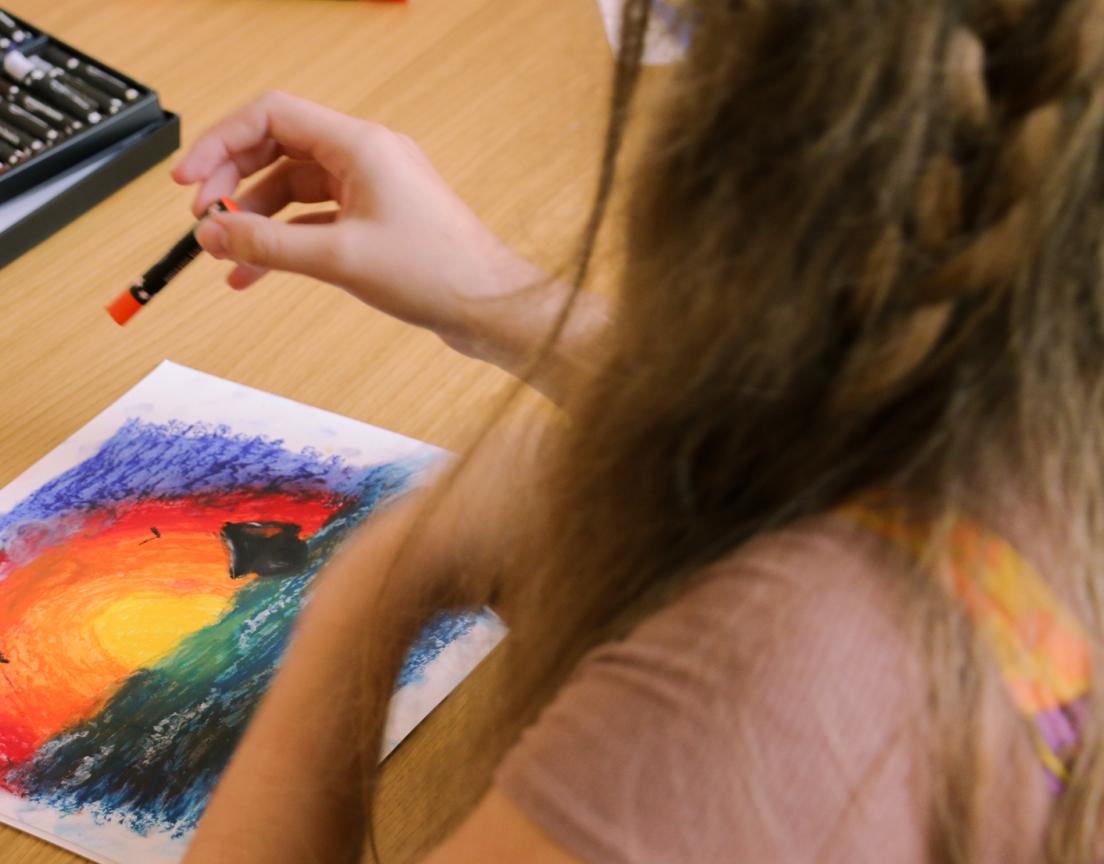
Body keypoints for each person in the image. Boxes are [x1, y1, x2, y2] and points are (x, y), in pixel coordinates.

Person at [174, 0, 1104, 861]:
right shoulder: (1052, 445)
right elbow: (897, 431)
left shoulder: (756, 703)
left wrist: (377, 587)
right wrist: (498, 300)